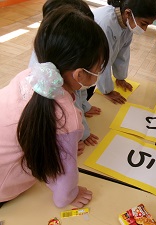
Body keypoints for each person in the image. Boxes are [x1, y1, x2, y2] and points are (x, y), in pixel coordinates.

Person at [0, 6, 109, 208]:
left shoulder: (29, 75)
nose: (99, 73)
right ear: (79, 75)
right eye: (98, 68)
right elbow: (65, 170)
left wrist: (62, 142)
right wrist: (68, 196)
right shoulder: (67, 118)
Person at [28, 0, 101, 147]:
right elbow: (68, 110)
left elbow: (77, 93)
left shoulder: (65, 62)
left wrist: (85, 106)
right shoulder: (50, 85)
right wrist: (80, 135)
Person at [93, 0, 156, 104]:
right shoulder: (106, 24)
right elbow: (102, 61)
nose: (145, 29)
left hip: (93, 64)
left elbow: (123, 52)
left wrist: (120, 77)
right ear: (128, 13)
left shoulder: (127, 22)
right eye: (143, 24)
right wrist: (107, 91)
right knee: (84, 93)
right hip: (80, 62)